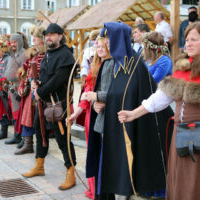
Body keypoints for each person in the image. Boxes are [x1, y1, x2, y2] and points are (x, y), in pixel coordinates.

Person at [86, 22, 174, 200]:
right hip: (111, 127)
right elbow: (113, 92)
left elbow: (136, 96)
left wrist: (101, 98)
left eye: (110, 38)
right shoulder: (114, 64)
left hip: (132, 127)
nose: (107, 42)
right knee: (107, 171)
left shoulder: (136, 66)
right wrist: (98, 104)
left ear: (118, 39)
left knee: (128, 175)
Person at [118, 22, 200, 200]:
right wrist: (133, 113)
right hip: (181, 135)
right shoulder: (182, 70)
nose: (188, 44)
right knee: (182, 179)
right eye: (187, 40)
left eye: (194, 39)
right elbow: (159, 99)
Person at [22, 23, 77, 190]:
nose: (48, 37)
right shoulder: (47, 54)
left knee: (62, 139)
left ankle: (71, 172)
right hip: (44, 102)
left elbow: (59, 79)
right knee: (41, 133)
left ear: (60, 36)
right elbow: (45, 77)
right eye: (47, 34)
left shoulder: (66, 55)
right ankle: (39, 165)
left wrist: (41, 91)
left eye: (52, 34)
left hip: (59, 104)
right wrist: (35, 85)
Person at [66, 36, 110, 199]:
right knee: (92, 151)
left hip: (105, 116)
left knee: (102, 154)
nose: (100, 49)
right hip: (90, 116)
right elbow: (86, 94)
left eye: (103, 46)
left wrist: (98, 100)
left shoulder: (115, 65)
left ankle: (101, 189)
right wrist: (76, 114)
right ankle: (93, 188)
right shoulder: (95, 65)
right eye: (98, 46)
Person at [14, 25, 46, 155]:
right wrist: (22, 85)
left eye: (36, 37)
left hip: (41, 91)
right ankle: (28, 144)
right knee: (27, 118)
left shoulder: (47, 54)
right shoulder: (33, 54)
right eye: (33, 36)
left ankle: (42, 144)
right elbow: (25, 71)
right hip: (29, 91)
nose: (34, 39)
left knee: (40, 121)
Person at [3, 33, 27, 145]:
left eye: (15, 42)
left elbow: (25, 73)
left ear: (20, 42)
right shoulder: (12, 54)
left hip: (18, 86)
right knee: (13, 113)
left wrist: (21, 86)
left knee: (19, 113)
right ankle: (16, 135)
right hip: (11, 86)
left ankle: (22, 137)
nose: (13, 44)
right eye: (11, 42)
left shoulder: (24, 54)